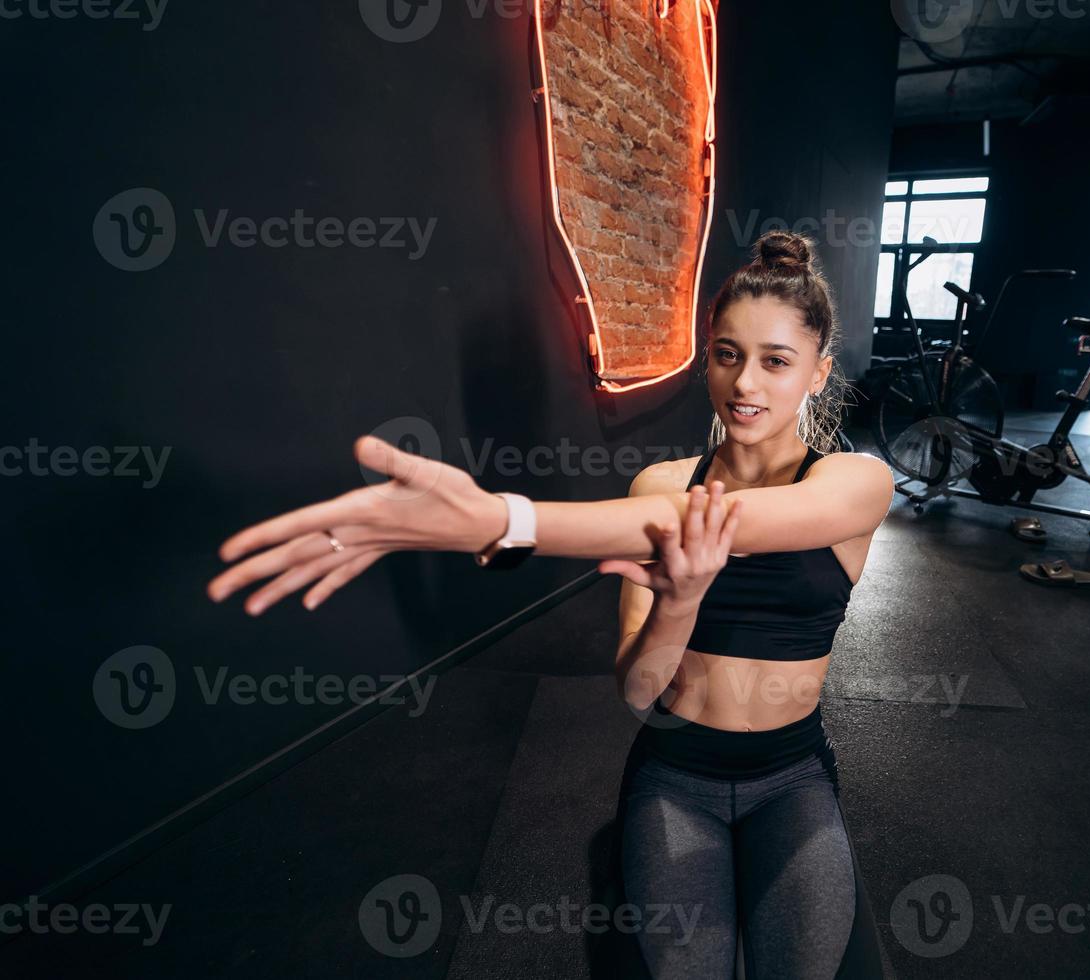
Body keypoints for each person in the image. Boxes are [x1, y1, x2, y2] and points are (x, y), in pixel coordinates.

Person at [205, 231, 893, 978]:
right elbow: (637, 693)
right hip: (677, 773)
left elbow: (723, 525)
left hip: (791, 774)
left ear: (820, 373)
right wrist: (682, 601)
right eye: (727, 354)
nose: (745, 384)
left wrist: (505, 520)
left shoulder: (856, 484)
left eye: (776, 361)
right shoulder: (657, 488)